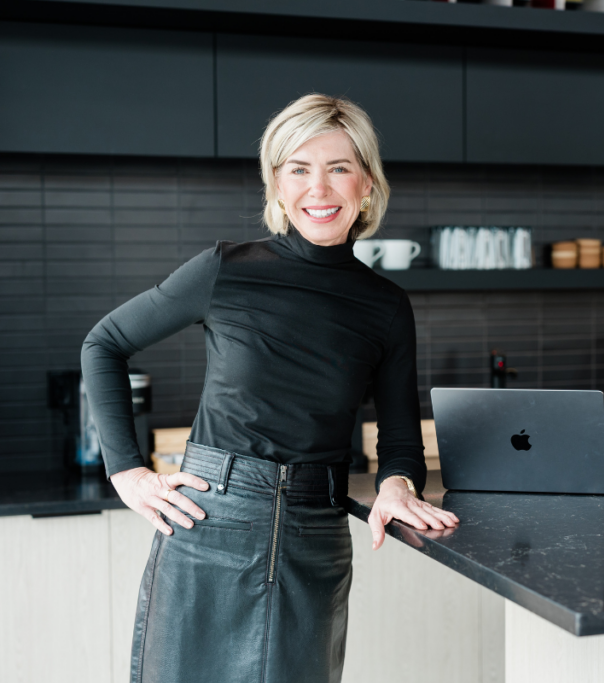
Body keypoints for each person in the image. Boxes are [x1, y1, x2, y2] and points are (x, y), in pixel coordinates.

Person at [81, 93, 458, 683]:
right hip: (210, 522)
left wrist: (396, 486)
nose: (319, 188)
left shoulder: (386, 306)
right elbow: (103, 343)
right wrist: (127, 472)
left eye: (339, 168)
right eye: (299, 170)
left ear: (366, 185)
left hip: (317, 534)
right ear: (277, 186)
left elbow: (401, 434)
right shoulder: (225, 269)